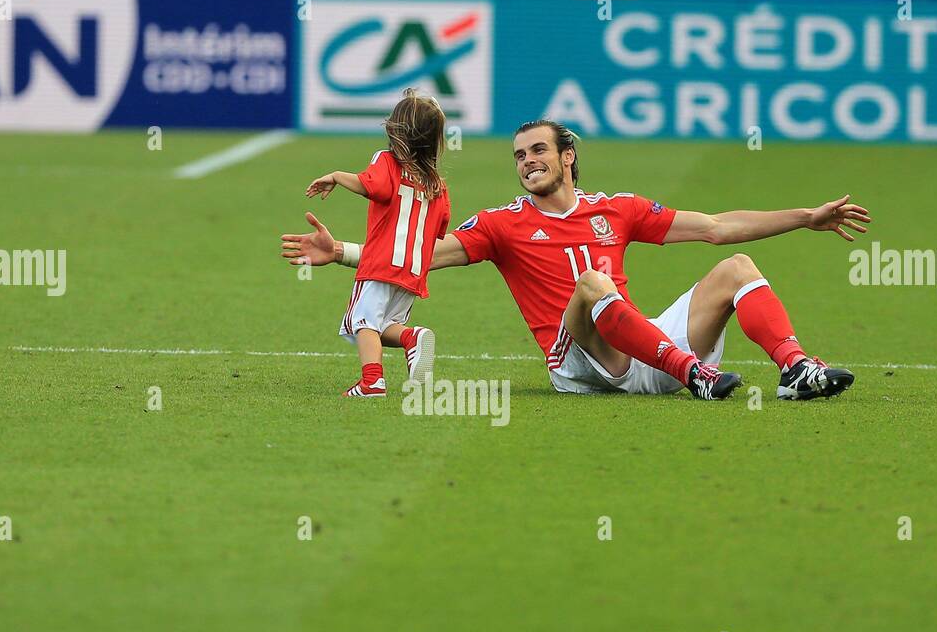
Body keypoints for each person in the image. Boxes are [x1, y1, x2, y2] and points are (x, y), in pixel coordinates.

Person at [283, 119, 868, 402]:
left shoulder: (618, 210)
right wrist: (340, 254)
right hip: (579, 362)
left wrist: (805, 217)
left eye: (538, 150)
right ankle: (697, 374)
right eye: (519, 155)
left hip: (637, 346)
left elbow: (716, 227)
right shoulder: (501, 224)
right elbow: (419, 257)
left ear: (567, 157)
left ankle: (796, 371)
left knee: (736, 266)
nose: (527, 162)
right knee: (593, 282)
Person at [303, 89, 451, 398]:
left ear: (395, 131)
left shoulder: (386, 160)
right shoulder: (437, 184)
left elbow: (376, 186)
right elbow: (439, 227)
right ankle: (412, 337)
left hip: (380, 264)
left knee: (363, 321)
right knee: (385, 324)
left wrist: (337, 176)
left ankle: (372, 381)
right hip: (412, 271)